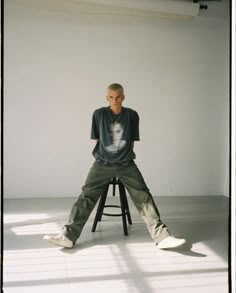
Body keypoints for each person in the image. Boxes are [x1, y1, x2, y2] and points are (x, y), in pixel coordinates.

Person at [44, 83, 186, 249]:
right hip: (102, 163)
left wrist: (122, 157)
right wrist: (106, 156)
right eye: (111, 97)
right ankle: (68, 236)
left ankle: (162, 238)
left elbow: (131, 142)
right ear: (107, 98)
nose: (115, 100)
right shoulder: (98, 114)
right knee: (86, 197)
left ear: (123, 97)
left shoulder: (132, 115)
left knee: (143, 197)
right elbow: (97, 140)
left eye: (118, 97)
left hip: (126, 163)